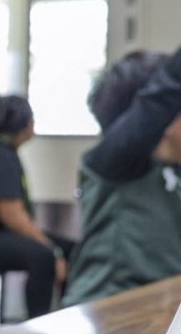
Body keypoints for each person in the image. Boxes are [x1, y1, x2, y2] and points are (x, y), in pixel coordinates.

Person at [62, 47, 181, 306]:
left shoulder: (173, 170)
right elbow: (162, 95)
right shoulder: (118, 163)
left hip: (160, 311)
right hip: (105, 313)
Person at [0, 95, 72, 319]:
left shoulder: (2, 152)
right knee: (43, 256)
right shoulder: (1, 157)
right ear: (23, 123)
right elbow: (11, 215)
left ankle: (68, 312)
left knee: (72, 249)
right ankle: (37, 324)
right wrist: (52, 250)